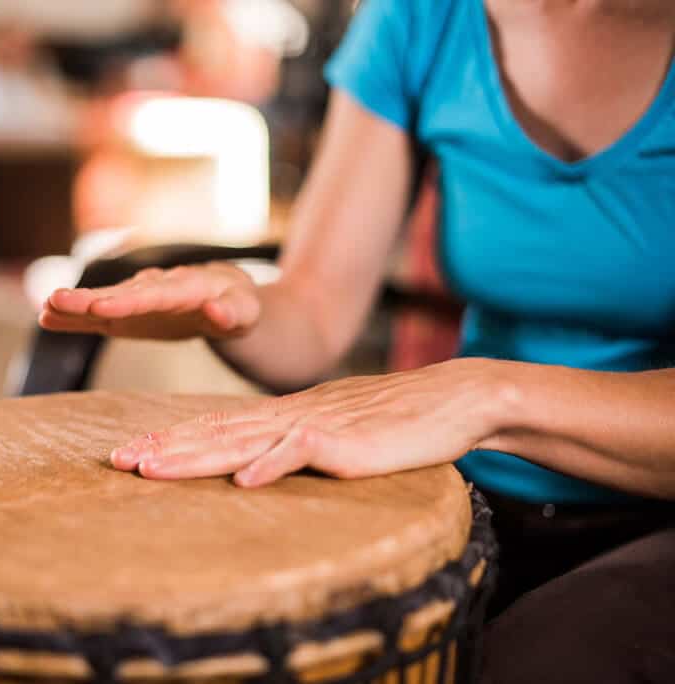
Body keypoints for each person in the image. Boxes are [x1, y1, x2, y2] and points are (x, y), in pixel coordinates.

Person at [41, 1, 675, 680]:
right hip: (473, 494)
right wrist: (237, 308)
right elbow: (315, 312)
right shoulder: (422, 15)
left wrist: (489, 396)